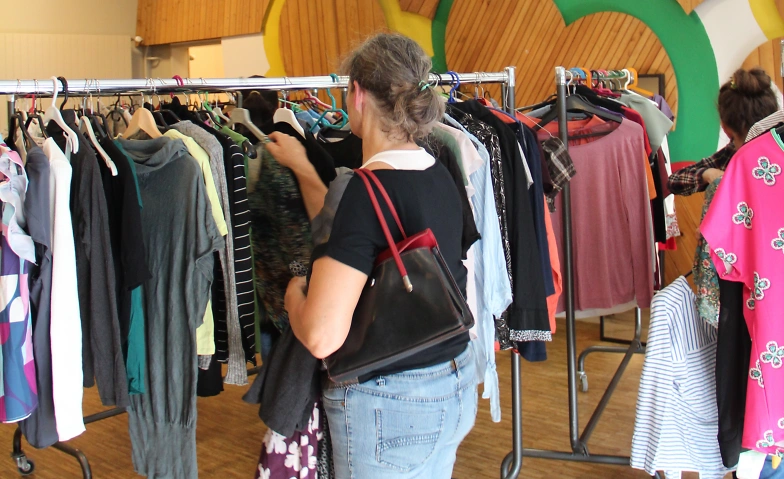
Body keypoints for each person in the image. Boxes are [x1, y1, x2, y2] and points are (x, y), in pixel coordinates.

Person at [264, 33, 477, 478]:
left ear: (357, 93)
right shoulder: (440, 169)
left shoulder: (363, 191)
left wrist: (293, 297)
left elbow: (322, 336)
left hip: (392, 402)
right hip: (453, 377)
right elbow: (367, 239)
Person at [668, 67, 780, 196]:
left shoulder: (735, 155)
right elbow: (674, 181)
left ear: (725, 127)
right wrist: (706, 174)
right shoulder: (731, 152)